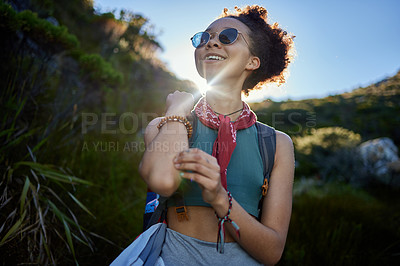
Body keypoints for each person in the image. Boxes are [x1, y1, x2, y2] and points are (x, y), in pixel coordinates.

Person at [139, 5, 295, 265]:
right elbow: (162, 181)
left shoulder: (276, 144)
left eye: (228, 37)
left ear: (252, 62)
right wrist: (178, 111)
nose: (211, 42)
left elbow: (272, 252)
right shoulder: (166, 123)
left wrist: (220, 198)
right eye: (204, 37)